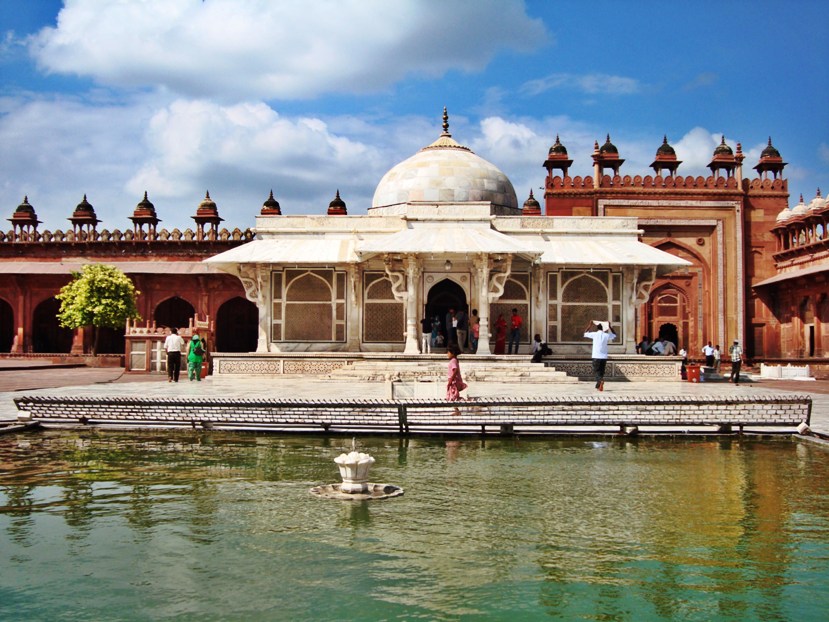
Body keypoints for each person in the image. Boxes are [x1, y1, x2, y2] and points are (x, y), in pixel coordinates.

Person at [584, 320, 615, 391]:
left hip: (596, 356)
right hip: (603, 357)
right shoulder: (606, 335)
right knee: (601, 371)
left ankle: (600, 381)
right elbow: (614, 335)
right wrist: (609, 326)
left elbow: (585, 333)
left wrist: (590, 325)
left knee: (596, 371)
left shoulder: (594, 334)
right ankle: (598, 386)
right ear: (603, 328)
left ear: (597, 328)